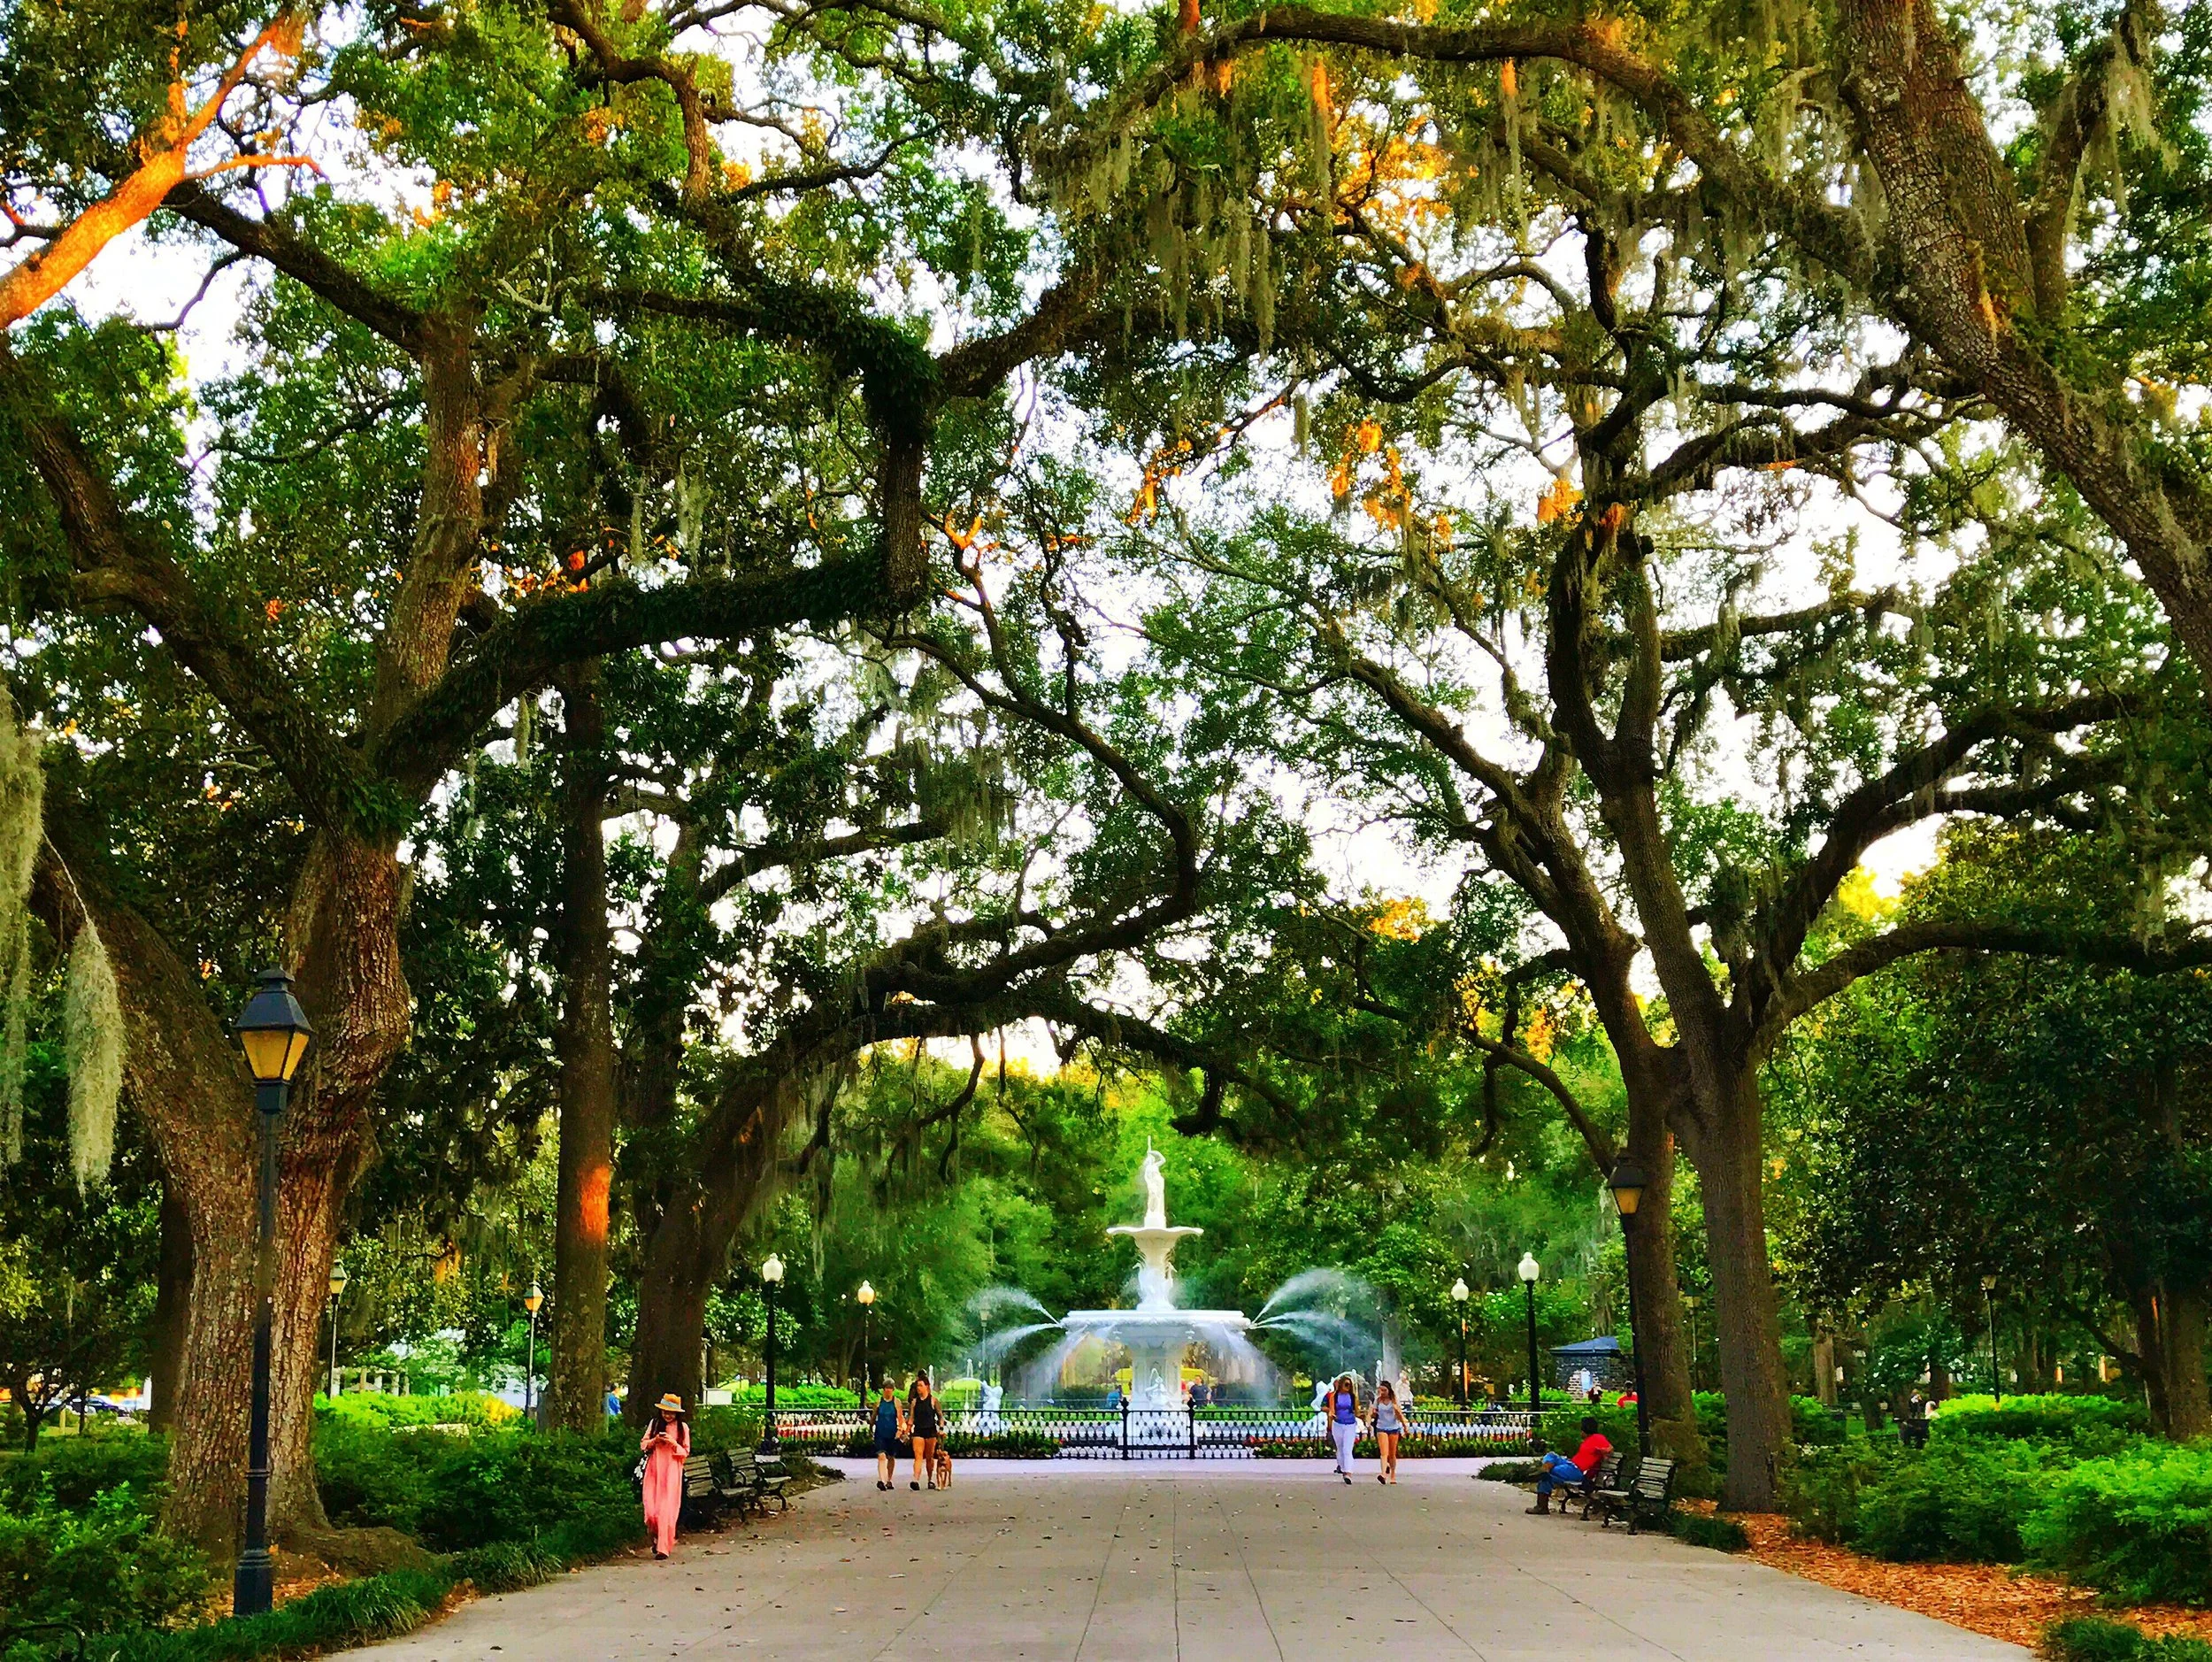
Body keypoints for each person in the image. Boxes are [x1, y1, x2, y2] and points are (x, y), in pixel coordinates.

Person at [639, 1392, 691, 1558]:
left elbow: (685, 1452)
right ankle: (655, 1537)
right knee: (652, 1511)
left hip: (672, 1471)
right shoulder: (654, 1424)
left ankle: (663, 1548)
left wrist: (672, 1443)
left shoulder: (683, 1429)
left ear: (677, 1413)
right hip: (654, 1470)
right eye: (665, 1412)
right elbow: (644, 1444)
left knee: (666, 1512)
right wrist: (655, 1441)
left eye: (671, 1412)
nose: (667, 1415)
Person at [1526, 1416, 1610, 1515]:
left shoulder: (1598, 1438)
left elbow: (1610, 1448)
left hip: (1577, 1471)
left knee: (1548, 1475)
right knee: (1552, 1455)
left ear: (1585, 1430)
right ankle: (1545, 1469)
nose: (1580, 1432)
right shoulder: (1588, 1440)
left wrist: (1604, 1451)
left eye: (1581, 1430)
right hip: (1570, 1464)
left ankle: (1542, 1506)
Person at [907, 1373, 943, 1491]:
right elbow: (911, 1418)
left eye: (921, 1386)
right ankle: (915, 1479)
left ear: (927, 1387)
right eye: (917, 1386)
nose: (918, 1388)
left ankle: (930, 1479)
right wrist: (907, 1430)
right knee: (918, 1456)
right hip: (918, 1431)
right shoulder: (914, 1402)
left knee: (929, 1457)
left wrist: (941, 1429)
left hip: (930, 1431)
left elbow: (940, 1417)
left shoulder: (933, 1401)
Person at [1371, 1380, 1408, 1485]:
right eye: (1380, 1390)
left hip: (1393, 1427)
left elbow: (1399, 1415)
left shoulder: (1394, 1400)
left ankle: (1393, 1474)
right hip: (1381, 1427)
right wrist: (1373, 1414)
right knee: (1384, 1453)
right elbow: (1373, 1413)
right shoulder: (1378, 1400)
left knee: (1392, 1454)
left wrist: (1405, 1426)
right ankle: (1383, 1474)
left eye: (1384, 1390)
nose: (1382, 1392)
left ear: (1389, 1390)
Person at [1327, 1373, 1361, 1483]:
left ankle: (1348, 1472)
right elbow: (1332, 1409)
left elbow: (1357, 1411)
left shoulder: (1352, 1397)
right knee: (1340, 1448)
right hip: (1338, 1424)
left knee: (1347, 1449)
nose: (1348, 1387)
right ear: (1341, 1385)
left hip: (1350, 1424)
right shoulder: (1334, 1396)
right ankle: (1342, 1467)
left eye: (1349, 1385)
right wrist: (1331, 1416)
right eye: (1346, 1384)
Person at [872, 1378, 902, 1490]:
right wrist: (871, 1428)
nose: (888, 1391)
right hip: (880, 1432)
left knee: (891, 1457)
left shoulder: (896, 1402)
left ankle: (889, 1479)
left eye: (890, 1388)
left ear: (893, 1390)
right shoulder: (878, 1402)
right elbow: (874, 1417)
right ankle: (882, 1480)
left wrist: (900, 1430)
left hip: (892, 1432)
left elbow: (900, 1418)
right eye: (886, 1388)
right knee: (881, 1456)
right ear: (883, 1390)